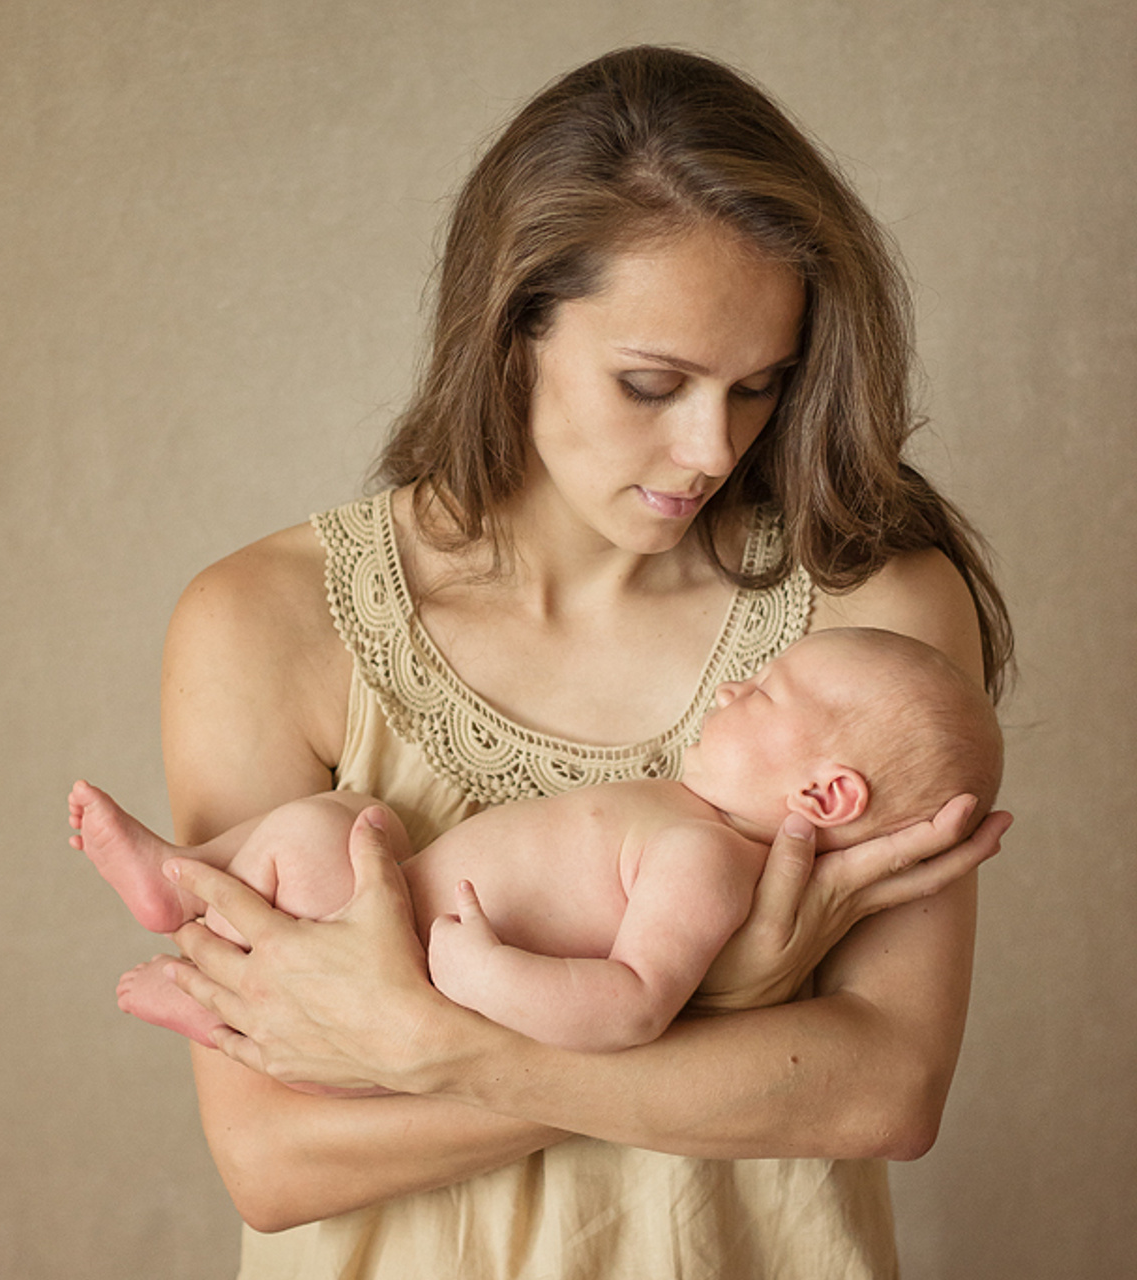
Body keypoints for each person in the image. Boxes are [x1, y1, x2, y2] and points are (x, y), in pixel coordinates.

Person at [126, 44, 1014, 1280]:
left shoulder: (872, 617)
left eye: (758, 386)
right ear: (510, 333)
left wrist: (445, 1049)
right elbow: (275, 1162)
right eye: (651, 382)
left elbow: (885, 1089)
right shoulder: (266, 624)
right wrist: (727, 1001)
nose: (709, 446)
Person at [72, 627, 1002, 1069]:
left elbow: (635, 1003)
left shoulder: (710, 861)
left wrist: (482, 975)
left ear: (824, 794)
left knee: (320, 835)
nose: (729, 692)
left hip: (397, 961)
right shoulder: (692, 822)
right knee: (354, 813)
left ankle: (178, 891)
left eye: (763, 694)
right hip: (385, 930)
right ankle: (196, 970)